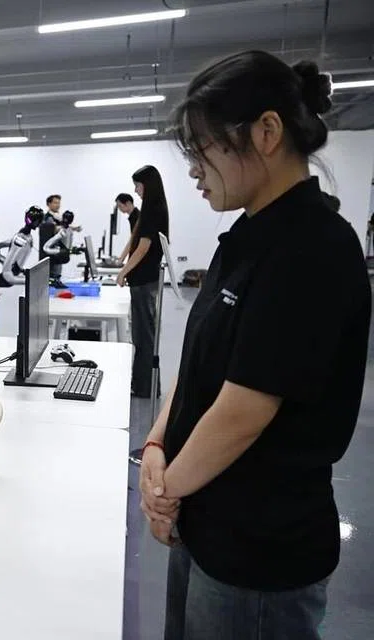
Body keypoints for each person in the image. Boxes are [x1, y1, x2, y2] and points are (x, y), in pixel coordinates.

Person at [139, 51, 371, 639]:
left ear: (266, 133)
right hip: (205, 517)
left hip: (259, 552)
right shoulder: (242, 239)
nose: (193, 169)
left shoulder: (312, 249)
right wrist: (157, 442)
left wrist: (162, 491)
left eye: (203, 148)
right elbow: (197, 370)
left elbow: (244, 412)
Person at [116, 165, 168, 398]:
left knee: (144, 335)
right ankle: (142, 385)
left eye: (138, 185)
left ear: (148, 185)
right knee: (142, 334)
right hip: (145, 280)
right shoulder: (153, 208)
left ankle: (145, 387)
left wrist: (123, 271)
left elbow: (144, 246)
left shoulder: (152, 210)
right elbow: (137, 240)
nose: (136, 191)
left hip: (144, 281)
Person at [42, 210, 75, 289]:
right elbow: (45, 248)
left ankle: (57, 280)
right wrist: (59, 251)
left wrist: (73, 250)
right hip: (56, 258)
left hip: (62, 257)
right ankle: (55, 280)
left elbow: (68, 246)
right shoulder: (61, 232)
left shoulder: (69, 231)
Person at [114, 192, 140, 261]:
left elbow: (132, 240)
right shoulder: (134, 216)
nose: (119, 208)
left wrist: (121, 258)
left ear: (128, 203)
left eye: (120, 205)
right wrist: (121, 258)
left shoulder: (136, 217)